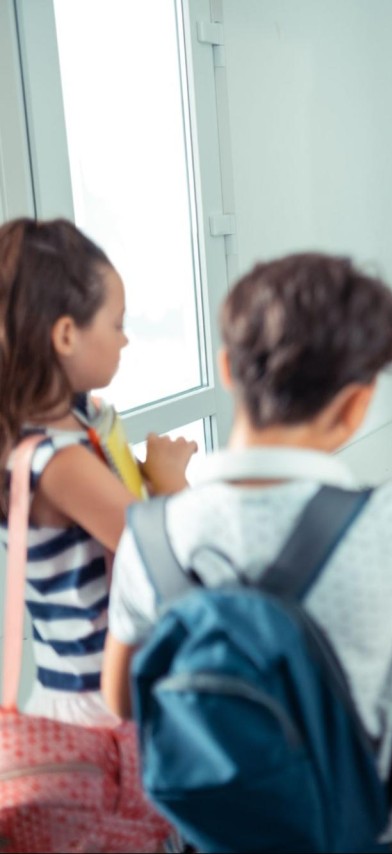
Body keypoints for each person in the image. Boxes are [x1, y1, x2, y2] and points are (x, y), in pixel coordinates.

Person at [100, 251, 392, 840]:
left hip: (220, 832)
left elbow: (122, 698)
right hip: (362, 827)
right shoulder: (385, 519)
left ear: (228, 369)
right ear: (357, 403)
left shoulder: (151, 535)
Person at [0, 218, 194, 727]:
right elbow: (165, 564)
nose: (125, 340)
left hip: (95, 691)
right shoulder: (57, 463)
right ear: (66, 334)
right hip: (99, 707)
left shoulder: (64, 426)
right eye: (117, 324)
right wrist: (170, 482)